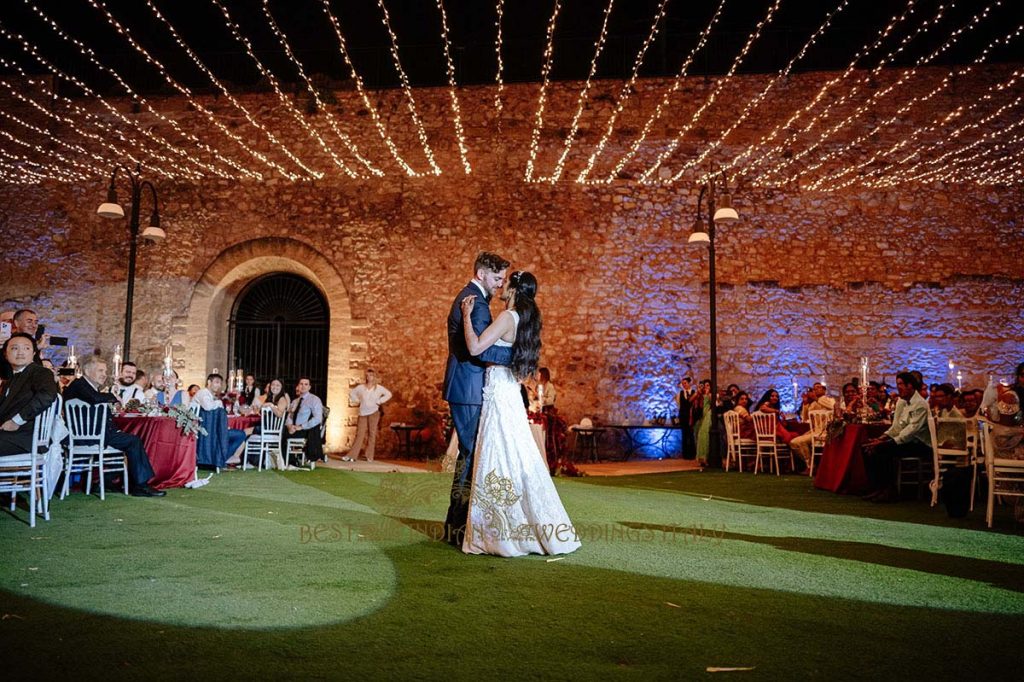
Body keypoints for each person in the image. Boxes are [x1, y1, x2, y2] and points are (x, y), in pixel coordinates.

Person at [459, 270, 580, 557]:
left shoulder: (507, 317)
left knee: (497, 452)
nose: (500, 285)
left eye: (505, 282)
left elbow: (475, 346)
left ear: (513, 288)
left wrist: (466, 316)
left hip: (499, 391)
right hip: (509, 390)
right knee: (516, 452)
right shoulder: (525, 321)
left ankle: (499, 532)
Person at [442, 251, 512, 547]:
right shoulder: (477, 302)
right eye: (497, 278)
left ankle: (456, 524)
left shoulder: (472, 297)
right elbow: (479, 349)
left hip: (465, 385)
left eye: (503, 280)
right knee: (470, 456)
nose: (500, 285)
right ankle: (457, 528)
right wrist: (515, 356)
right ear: (482, 274)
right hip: (468, 388)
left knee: (468, 455)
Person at [62, 355, 165, 497]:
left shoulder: (87, 386)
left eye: (105, 371)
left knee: (129, 440)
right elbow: (95, 399)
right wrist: (114, 397)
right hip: (89, 437)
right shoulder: (80, 385)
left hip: (96, 433)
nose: (104, 375)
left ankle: (111, 480)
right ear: (87, 371)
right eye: (100, 371)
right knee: (133, 441)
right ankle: (140, 485)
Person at [863, 372, 933, 502]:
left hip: (920, 444)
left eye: (901, 384)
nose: (898, 387)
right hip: (905, 440)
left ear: (910, 386)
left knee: (883, 449)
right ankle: (876, 487)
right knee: (866, 448)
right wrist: (881, 438)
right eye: (897, 384)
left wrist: (888, 442)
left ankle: (889, 490)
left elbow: (911, 431)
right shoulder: (902, 402)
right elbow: (896, 427)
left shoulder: (920, 404)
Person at [0, 333, 58, 457]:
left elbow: (47, 395)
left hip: (26, 437)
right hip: (8, 436)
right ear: (5, 354)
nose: (20, 352)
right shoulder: (11, 379)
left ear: (33, 354)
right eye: (14, 348)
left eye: (26, 348)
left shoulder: (41, 372)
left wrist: (17, 421)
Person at [194, 373, 247, 469]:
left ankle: (221, 458)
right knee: (240, 434)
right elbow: (208, 406)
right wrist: (219, 402)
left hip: (212, 430)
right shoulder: (203, 393)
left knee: (239, 434)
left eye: (220, 383)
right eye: (216, 382)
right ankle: (223, 458)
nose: (218, 385)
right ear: (209, 382)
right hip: (204, 431)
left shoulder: (211, 395)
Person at [343, 368, 392, 462]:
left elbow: (389, 394)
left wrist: (379, 401)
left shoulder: (379, 388)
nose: (369, 377)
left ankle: (369, 455)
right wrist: (357, 400)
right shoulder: (361, 387)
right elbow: (352, 393)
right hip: (363, 413)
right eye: (368, 375)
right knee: (360, 434)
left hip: (374, 412)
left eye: (371, 375)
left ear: (374, 377)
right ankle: (352, 455)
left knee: (372, 434)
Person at [284, 377, 325, 466]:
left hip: (306, 429)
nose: (303, 386)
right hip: (294, 428)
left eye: (306, 384)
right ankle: (291, 461)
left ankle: (292, 462)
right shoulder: (295, 401)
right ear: (298, 386)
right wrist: (289, 426)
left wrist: (301, 426)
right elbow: (289, 417)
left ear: (309, 387)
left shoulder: (314, 400)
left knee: (283, 435)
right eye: (301, 384)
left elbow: (318, 418)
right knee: (281, 433)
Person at [691, 380, 712, 466]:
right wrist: (698, 391)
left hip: (707, 415)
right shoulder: (699, 395)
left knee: (703, 434)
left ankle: (705, 457)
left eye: (708, 385)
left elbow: (713, 403)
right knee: (697, 435)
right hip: (699, 416)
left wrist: (707, 394)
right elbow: (690, 400)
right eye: (704, 385)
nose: (706, 387)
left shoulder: (710, 395)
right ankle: (700, 458)